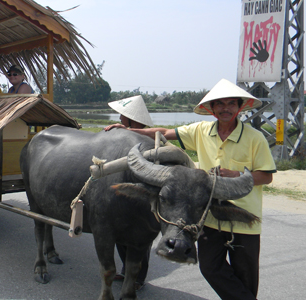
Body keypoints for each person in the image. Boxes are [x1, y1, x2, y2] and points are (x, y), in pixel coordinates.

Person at [105, 78, 276, 300]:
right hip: (207, 215)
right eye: (220, 104)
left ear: (240, 107)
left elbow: (267, 176)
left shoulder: (255, 138)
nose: (226, 108)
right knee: (210, 267)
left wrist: (235, 175)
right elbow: (165, 133)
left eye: (231, 103)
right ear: (212, 109)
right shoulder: (201, 131)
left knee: (245, 276)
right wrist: (128, 130)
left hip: (243, 219)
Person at [106, 95, 154, 291]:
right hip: (122, 189)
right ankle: (126, 270)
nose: (119, 120)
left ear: (131, 120)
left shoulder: (149, 138)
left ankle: (138, 278)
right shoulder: (124, 135)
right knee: (120, 233)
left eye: (122, 117)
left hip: (142, 196)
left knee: (140, 237)